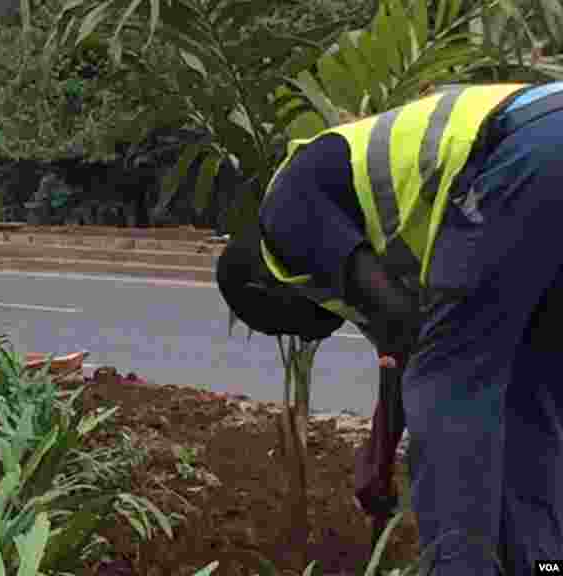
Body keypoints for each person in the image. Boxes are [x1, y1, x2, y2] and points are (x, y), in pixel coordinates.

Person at [218, 81, 563, 575]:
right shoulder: (345, 214)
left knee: (454, 384)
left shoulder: (285, 218)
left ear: (262, 289)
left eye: (276, 325)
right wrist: (379, 452)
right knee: (530, 393)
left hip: (528, 149)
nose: (308, 335)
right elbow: (402, 345)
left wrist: (380, 457)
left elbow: (407, 329)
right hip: (546, 132)